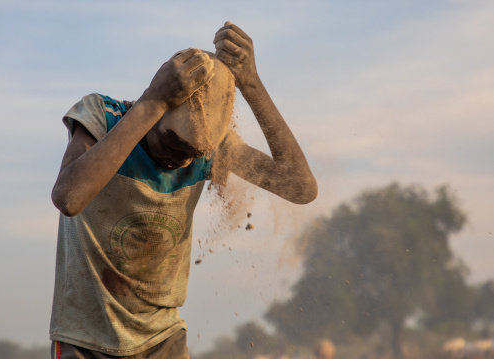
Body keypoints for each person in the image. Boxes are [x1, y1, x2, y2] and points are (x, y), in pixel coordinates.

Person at [49, 22, 317, 359]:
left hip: (162, 338)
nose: (182, 160)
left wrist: (251, 83)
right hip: (85, 338)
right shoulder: (103, 118)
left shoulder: (212, 149)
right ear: (156, 112)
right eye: (173, 144)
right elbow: (68, 198)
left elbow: (300, 186)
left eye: (194, 154)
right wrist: (153, 101)